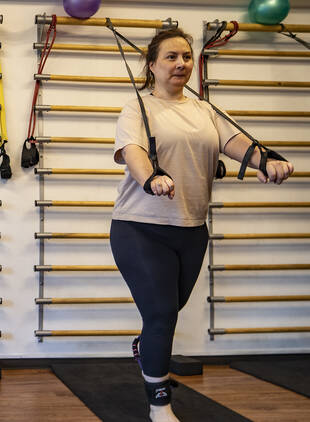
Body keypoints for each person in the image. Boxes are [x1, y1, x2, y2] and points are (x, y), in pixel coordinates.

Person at [109, 29, 293, 422]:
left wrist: (268, 161)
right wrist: (149, 178)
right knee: (162, 313)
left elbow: (240, 145)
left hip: (192, 229)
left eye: (187, 58)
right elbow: (133, 152)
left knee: (169, 310)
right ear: (152, 65)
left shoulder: (205, 110)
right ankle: (159, 404)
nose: (181, 64)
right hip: (139, 227)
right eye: (172, 57)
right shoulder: (137, 108)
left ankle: (146, 346)